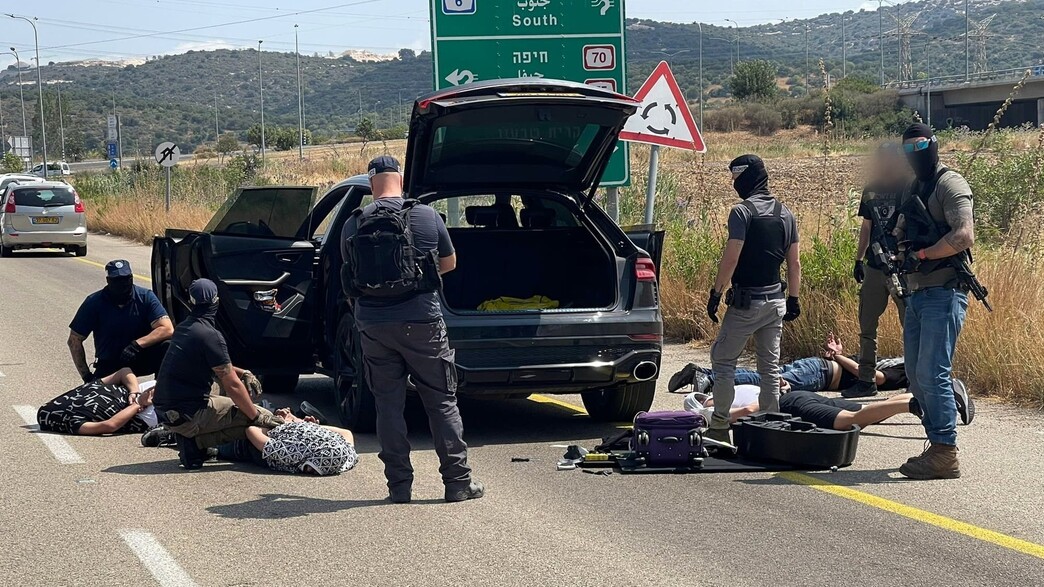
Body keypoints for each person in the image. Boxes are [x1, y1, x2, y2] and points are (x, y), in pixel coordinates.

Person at [340, 155, 481, 503]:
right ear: (401, 180)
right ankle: (457, 483)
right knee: (441, 401)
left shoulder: (353, 223)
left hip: (373, 325)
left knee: (388, 405)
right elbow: (449, 262)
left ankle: (399, 487)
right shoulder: (427, 216)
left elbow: (350, 275)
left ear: (371, 183)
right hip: (422, 322)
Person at [893, 123, 976, 480]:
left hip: (945, 289)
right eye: (908, 150)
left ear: (934, 145)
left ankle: (945, 450)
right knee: (914, 374)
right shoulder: (913, 187)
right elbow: (900, 229)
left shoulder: (949, 184)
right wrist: (895, 251)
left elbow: (964, 235)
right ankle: (936, 445)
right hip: (917, 292)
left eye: (921, 147)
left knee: (932, 371)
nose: (915, 155)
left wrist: (924, 254)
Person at [705, 154, 802, 445]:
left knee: (723, 361)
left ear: (747, 178)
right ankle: (772, 427)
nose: (733, 184)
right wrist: (794, 299)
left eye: (736, 179)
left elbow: (731, 257)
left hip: (746, 304)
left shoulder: (741, 212)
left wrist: (716, 293)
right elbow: (794, 263)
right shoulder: (786, 213)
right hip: (776, 302)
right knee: (769, 368)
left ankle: (719, 426)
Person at [152, 278, 282, 470]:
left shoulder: (185, 328)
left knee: (230, 390)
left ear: (191, 302)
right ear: (216, 301)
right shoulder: (210, 336)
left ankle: (193, 440)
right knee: (265, 418)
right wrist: (255, 415)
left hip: (167, 410)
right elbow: (233, 385)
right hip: (188, 414)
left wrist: (244, 373)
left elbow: (219, 366)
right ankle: (196, 443)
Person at [847, 142, 911, 398]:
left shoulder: (908, 187)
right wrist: (858, 260)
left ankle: (914, 380)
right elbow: (866, 227)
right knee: (867, 325)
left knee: (911, 326)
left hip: (903, 267)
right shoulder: (871, 189)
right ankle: (866, 380)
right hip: (875, 265)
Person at [669, 334, 909, 395]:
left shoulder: (898, 360)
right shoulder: (905, 370)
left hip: (817, 367)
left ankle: (705, 372)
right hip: (822, 374)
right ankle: (710, 378)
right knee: (766, 380)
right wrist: (837, 356)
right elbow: (874, 377)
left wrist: (838, 355)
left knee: (763, 375)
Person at [683, 383, 943, 434]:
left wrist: (723, 420)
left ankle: (912, 404)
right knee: (871, 409)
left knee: (850, 420)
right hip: (797, 396)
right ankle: (935, 395)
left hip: (791, 405)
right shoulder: (738, 387)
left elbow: (753, 409)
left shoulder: (717, 404)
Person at [68, 260, 174, 381]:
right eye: (117, 280)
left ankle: (161, 388)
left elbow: (167, 329)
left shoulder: (145, 297)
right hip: (110, 363)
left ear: (131, 278)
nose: (122, 283)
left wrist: (136, 345)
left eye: (126, 279)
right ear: (108, 280)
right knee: (102, 390)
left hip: (139, 356)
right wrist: (86, 376)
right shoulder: (94, 302)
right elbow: (74, 340)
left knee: (167, 346)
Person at [215, 409, 359, 476]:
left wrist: (279, 423)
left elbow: (251, 431)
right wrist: (310, 426)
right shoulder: (343, 455)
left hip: (247, 445)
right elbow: (346, 433)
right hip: (298, 431)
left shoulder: (294, 451)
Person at [37, 368, 159, 436]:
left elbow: (124, 372)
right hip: (139, 413)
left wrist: (134, 392)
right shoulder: (74, 422)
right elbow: (110, 425)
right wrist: (138, 403)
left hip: (141, 394)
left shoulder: (89, 389)